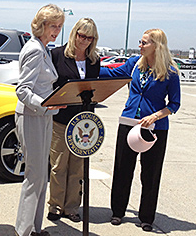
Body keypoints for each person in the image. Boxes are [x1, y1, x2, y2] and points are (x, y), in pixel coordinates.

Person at [99, 29, 181, 232]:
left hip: (155, 128)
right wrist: (84, 66)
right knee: (122, 169)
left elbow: (174, 104)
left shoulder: (170, 71)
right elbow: (110, 73)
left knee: (151, 174)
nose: (140, 45)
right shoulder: (134, 64)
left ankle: (146, 217)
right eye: (140, 42)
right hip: (128, 123)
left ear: (157, 45)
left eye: (144, 42)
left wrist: (155, 115)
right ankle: (117, 212)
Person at [15, 4, 65, 236]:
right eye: (53, 25)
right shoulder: (35, 49)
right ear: (42, 25)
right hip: (32, 116)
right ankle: (24, 231)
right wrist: (46, 104)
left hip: (43, 115)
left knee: (40, 175)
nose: (56, 30)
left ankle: (35, 228)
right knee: (34, 176)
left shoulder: (42, 48)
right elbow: (23, 90)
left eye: (59, 26)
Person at [47, 18, 100, 222]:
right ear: (74, 33)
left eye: (89, 37)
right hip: (61, 119)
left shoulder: (94, 60)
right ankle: (55, 206)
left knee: (77, 167)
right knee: (59, 165)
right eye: (82, 35)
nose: (84, 41)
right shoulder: (57, 55)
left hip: (84, 122)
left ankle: (71, 208)